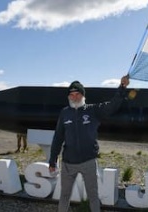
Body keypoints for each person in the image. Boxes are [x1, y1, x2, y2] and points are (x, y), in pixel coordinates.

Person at [48, 75, 130, 212]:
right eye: (72, 95)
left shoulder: (92, 110)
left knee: (93, 196)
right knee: (64, 195)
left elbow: (112, 106)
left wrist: (122, 87)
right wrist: (52, 160)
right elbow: (58, 138)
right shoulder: (64, 113)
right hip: (68, 163)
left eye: (77, 94)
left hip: (88, 162)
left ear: (83, 95)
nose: (74, 97)